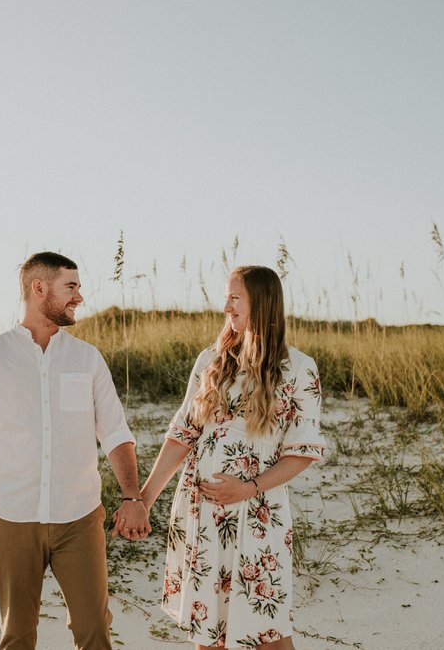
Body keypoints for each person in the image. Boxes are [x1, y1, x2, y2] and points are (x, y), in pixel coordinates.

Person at [0, 251, 150, 650]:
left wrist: (133, 496)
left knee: (94, 629)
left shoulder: (87, 358)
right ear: (38, 288)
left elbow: (114, 432)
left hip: (78, 518)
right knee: (18, 636)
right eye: (70, 287)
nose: (79, 297)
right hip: (11, 518)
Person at [139, 265, 326, 650]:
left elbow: (302, 451)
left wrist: (248, 488)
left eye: (235, 297)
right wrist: (144, 498)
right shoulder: (212, 360)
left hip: (258, 513)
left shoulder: (298, 369)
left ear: (262, 302)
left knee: (268, 632)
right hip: (203, 511)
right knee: (210, 634)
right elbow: (182, 434)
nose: (226, 306)